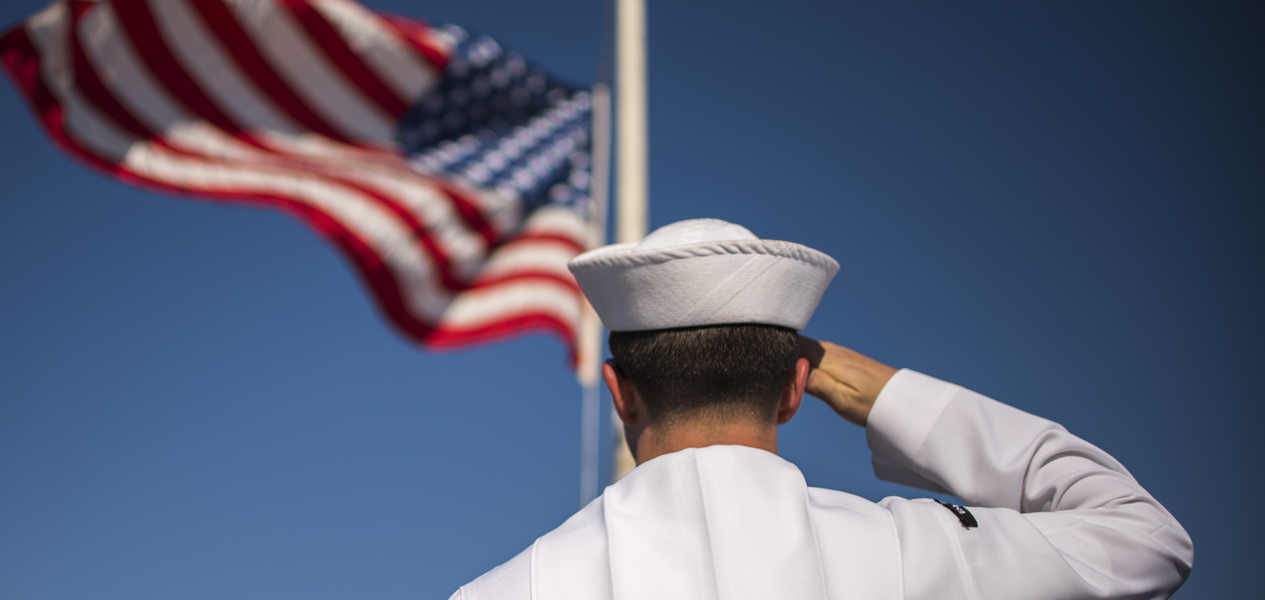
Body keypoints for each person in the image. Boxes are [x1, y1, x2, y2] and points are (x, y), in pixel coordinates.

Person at [450, 218, 1193, 600]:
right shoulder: (921, 559)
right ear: (795, 389)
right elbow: (1147, 539)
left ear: (621, 393)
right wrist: (876, 387)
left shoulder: (509, 590)